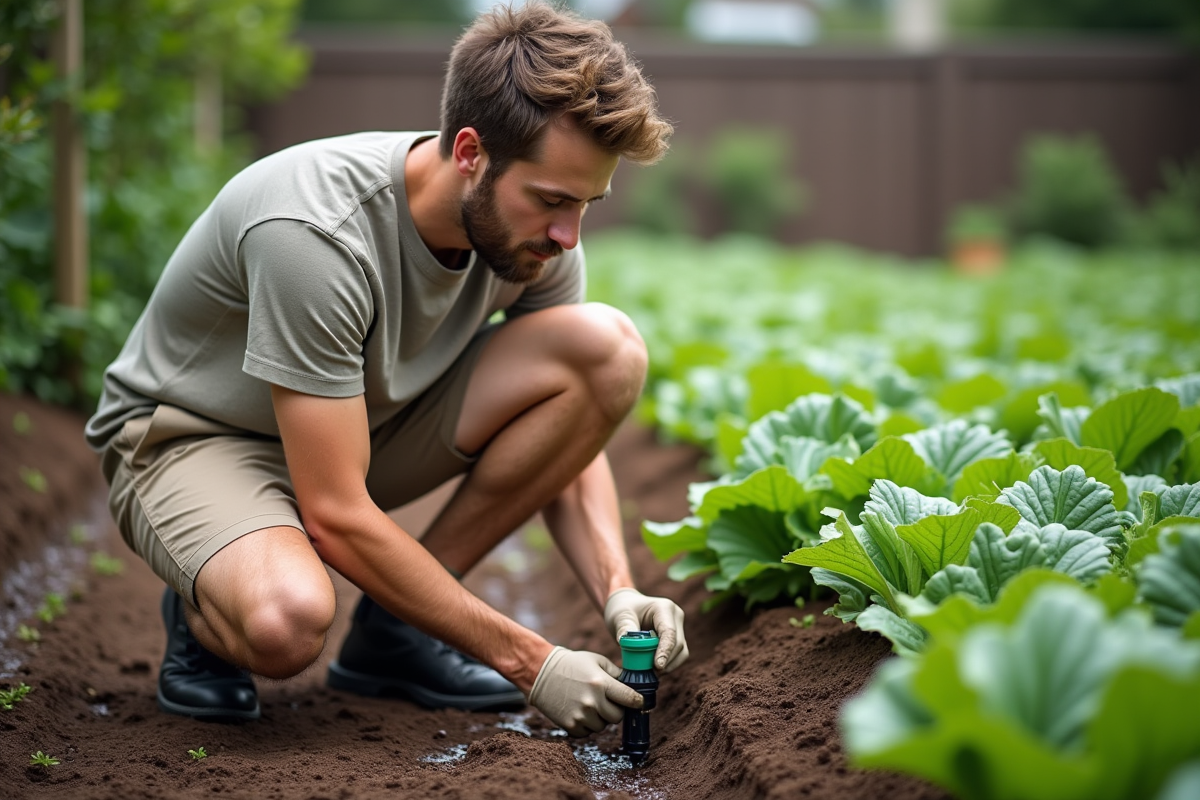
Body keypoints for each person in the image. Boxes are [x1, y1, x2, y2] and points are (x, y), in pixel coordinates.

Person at [84, 2, 688, 737]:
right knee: (285, 622)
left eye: (587, 203)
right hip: (194, 438)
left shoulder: (534, 238)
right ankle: (205, 598)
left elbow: (571, 432)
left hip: (354, 426)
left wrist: (617, 591)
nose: (568, 234)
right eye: (553, 200)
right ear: (470, 152)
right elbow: (335, 515)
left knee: (605, 350)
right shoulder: (315, 232)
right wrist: (532, 662)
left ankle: (394, 637)